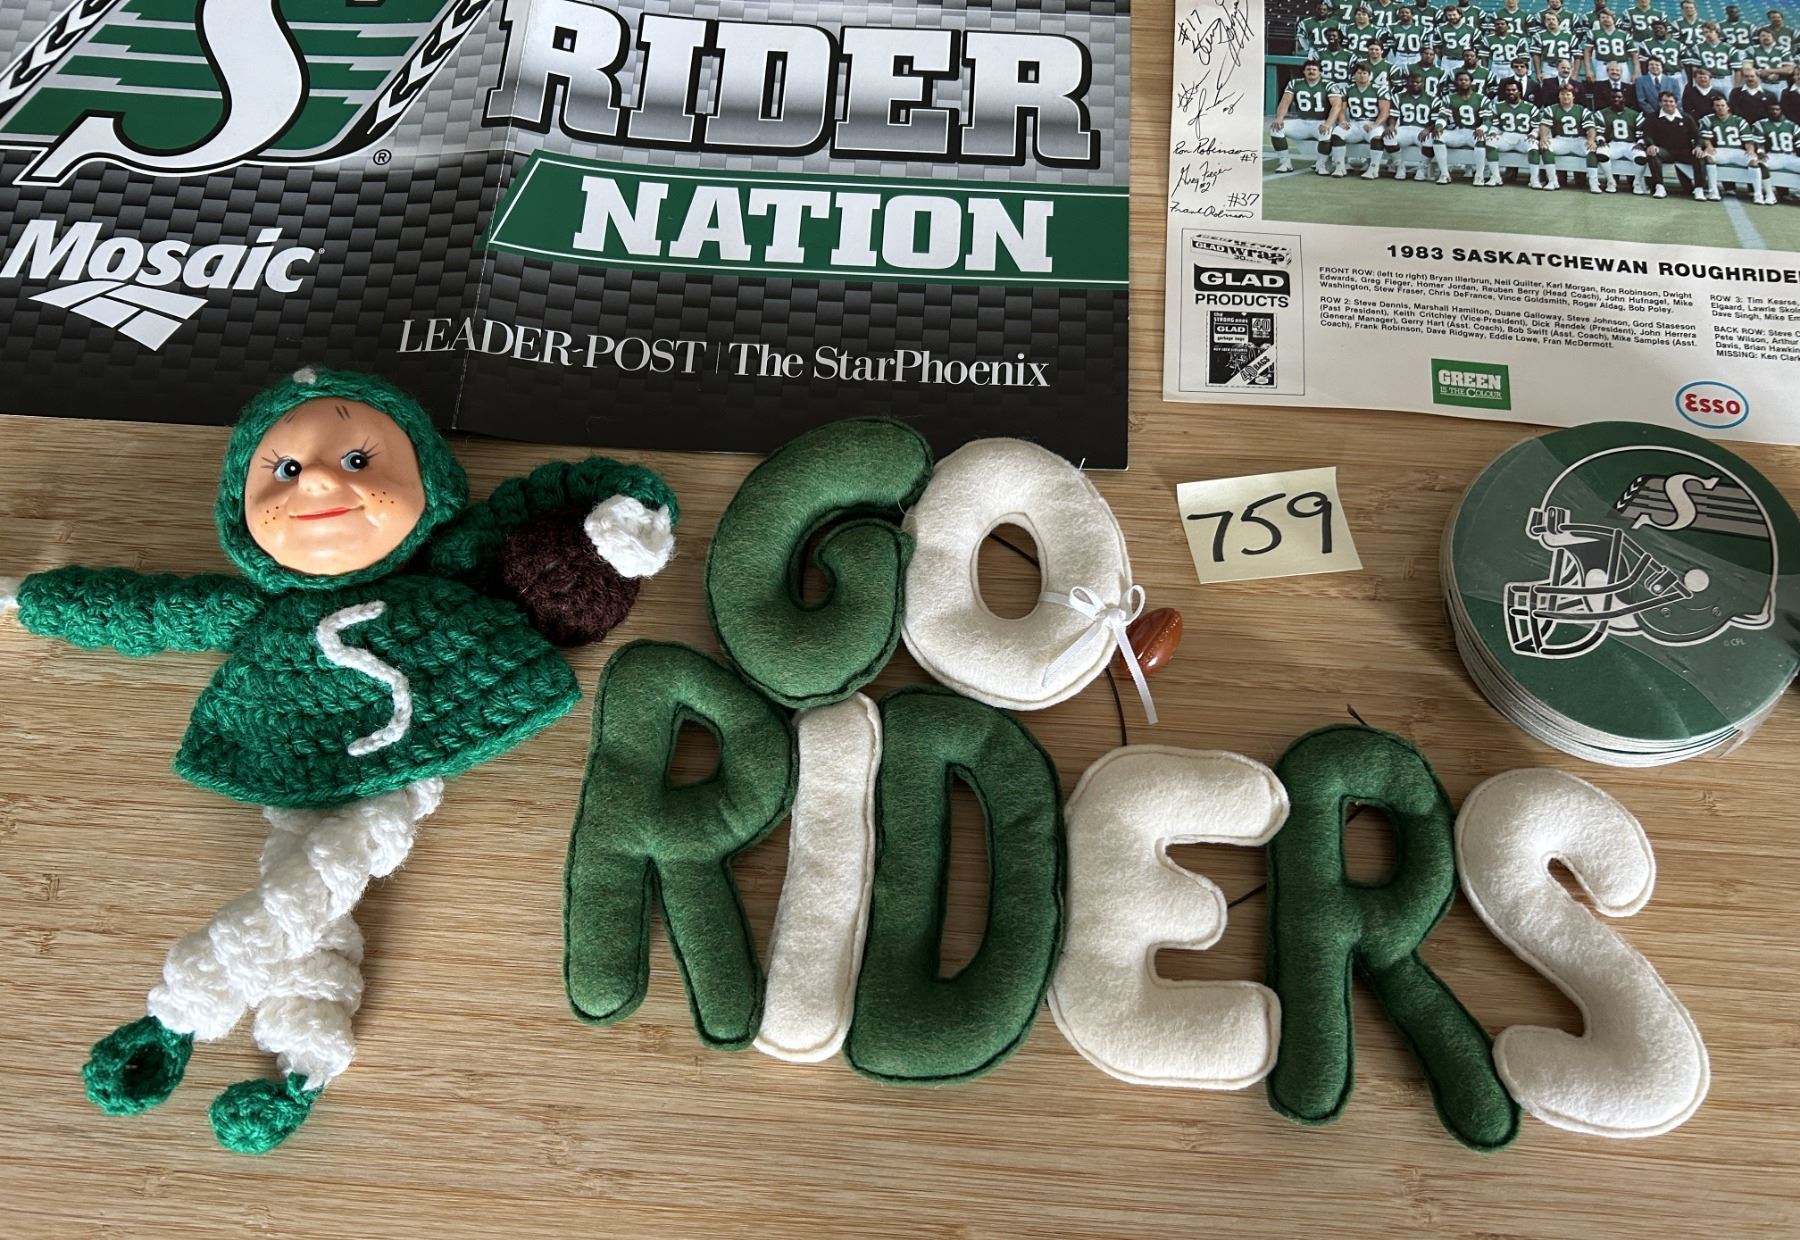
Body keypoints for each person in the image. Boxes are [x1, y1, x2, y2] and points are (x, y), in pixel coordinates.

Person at [1272, 60, 1344, 173]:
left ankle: (1321, 165)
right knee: (1275, 128)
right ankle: (1285, 163)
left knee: (1326, 132)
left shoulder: (1328, 84)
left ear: (1320, 72)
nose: (1311, 71)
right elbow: (1285, 102)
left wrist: (1328, 123)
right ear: (1304, 71)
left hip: (1321, 121)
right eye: (1308, 69)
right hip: (1302, 121)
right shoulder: (1295, 83)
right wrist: (1279, 118)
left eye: (1314, 69)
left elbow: (1336, 106)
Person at [1537, 80, 1605, 189]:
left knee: (1591, 149)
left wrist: (1591, 140)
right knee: (1545, 146)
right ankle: (1553, 181)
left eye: (1568, 94)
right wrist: (1543, 137)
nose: (1565, 97)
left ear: (1573, 96)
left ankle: (1593, 183)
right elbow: (1544, 125)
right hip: (1561, 139)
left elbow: (1591, 128)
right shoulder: (1551, 109)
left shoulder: (1582, 110)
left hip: (1578, 140)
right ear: (1558, 96)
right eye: (1562, 94)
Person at [1698, 93, 1764, 199]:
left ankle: (1758, 194)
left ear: (1728, 107)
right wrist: (1709, 146)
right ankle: (1713, 191)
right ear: (1713, 107)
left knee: (1753, 161)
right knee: (1709, 157)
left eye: (1722, 105)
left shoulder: (1739, 121)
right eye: (1717, 106)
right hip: (1720, 150)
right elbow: (1706, 138)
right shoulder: (1708, 119)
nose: (1720, 108)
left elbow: (1748, 141)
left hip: (1737, 151)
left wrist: (1750, 150)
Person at [1640, 87, 1705, 193]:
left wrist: (1698, 147)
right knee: (1653, 153)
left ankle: (1699, 189)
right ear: (1660, 103)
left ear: (1676, 103)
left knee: (1699, 155)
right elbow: (1647, 135)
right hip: (1664, 151)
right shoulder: (1652, 117)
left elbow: (1697, 135)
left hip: (1684, 151)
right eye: (1665, 101)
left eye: (1671, 101)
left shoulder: (1687, 118)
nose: (1668, 104)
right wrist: (1651, 145)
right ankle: (1659, 187)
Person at [1333, 62, 1394, 175]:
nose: (1362, 75)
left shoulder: (1379, 89)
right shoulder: (1347, 89)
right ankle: (1340, 167)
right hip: (1355, 123)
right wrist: (1342, 121)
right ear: (1354, 75)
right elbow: (1341, 109)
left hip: (1373, 122)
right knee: (1337, 132)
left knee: (1377, 136)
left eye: (1365, 73)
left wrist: (1375, 124)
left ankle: (1373, 169)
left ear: (1369, 75)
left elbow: (1385, 112)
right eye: (1359, 73)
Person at [1437, 67, 1497, 181]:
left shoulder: (1482, 99)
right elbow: (1443, 116)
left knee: (1480, 139)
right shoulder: (1449, 98)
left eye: (1466, 80)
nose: (1463, 82)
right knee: (1438, 137)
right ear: (1456, 82)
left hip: (1474, 132)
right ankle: (1444, 174)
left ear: (1471, 82)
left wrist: (1482, 128)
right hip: (1458, 131)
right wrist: (1439, 126)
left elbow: (1488, 120)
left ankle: (1479, 175)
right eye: (1460, 80)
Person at [1386, 71, 1445, 176]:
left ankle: (1422, 168)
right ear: (1407, 83)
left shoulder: (1433, 99)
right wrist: (1391, 126)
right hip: (1404, 128)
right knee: (1388, 137)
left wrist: (1428, 129)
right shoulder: (1398, 97)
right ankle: (1399, 166)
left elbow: (1434, 120)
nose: (1415, 84)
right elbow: (1393, 116)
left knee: (1432, 139)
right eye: (1412, 82)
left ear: (1423, 83)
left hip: (1421, 129)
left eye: (1418, 82)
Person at [1488, 75, 1542, 181]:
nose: (1510, 92)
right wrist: (1493, 132)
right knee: (1490, 143)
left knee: (1534, 147)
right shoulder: (1497, 106)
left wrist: (1533, 134)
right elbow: (1495, 125)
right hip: (1505, 136)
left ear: (1519, 92)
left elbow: (1536, 127)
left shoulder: (1531, 107)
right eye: (1508, 90)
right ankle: (1495, 177)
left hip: (1523, 137)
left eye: (1513, 90)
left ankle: (1534, 179)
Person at [1595, 88, 1650, 189]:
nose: (1616, 99)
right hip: (1613, 144)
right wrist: (1601, 140)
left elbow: (1641, 133)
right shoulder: (1602, 113)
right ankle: (1611, 181)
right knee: (1601, 152)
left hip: (1630, 144)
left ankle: (1637, 182)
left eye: (1619, 97)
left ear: (1624, 99)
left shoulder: (1635, 115)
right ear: (1609, 99)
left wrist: (1640, 143)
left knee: (1641, 156)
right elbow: (1599, 131)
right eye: (1613, 97)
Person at [1756, 99, 1799, 200]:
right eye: (1772, 109)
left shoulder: (1792, 125)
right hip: (1773, 155)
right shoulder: (1761, 124)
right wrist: (1760, 152)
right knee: (1760, 164)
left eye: (1777, 109)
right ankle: (1769, 194)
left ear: (1781, 110)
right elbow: (1759, 143)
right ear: (1768, 110)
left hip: (1790, 156)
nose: (1774, 112)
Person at [1588, 11, 1638, 82]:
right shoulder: (1593, 33)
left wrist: (1636, 71)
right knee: (1601, 87)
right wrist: (1588, 70)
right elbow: (1587, 52)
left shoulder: (1624, 34)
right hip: (1603, 65)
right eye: (1603, 17)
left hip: (1621, 64)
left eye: (1608, 17)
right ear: (1599, 20)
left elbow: (1634, 54)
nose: (1606, 19)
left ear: (1613, 19)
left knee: (1625, 86)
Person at [1639, 18, 1686, 86]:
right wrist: (1646, 77)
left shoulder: (1678, 44)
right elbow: (1643, 63)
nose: (1658, 30)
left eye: (1661, 28)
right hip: (1657, 76)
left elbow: (1684, 63)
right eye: (1655, 28)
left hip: (1675, 75)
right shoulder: (1645, 44)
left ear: (1666, 30)